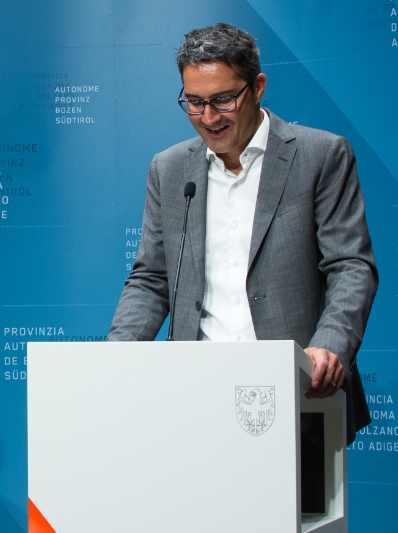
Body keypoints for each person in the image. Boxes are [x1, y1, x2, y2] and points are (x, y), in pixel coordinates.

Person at [108, 23, 378, 441]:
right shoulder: (169, 168)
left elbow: (351, 266)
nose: (209, 118)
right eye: (194, 103)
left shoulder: (321, 155)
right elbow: (152, 278)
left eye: (223, 99)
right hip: (195, 396)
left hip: (299, 393)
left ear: (258, 88)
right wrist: (114, 358)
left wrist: (329, 345)